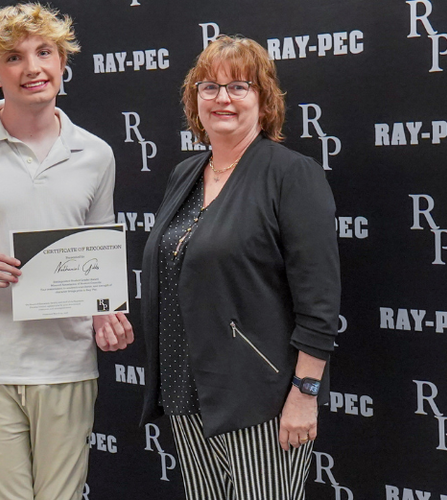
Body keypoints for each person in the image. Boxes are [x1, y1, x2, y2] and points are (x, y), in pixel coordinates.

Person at [0, 4, 133, 500]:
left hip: (67, 364)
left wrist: (106, 314)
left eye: (44, 52)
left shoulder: (96, 154)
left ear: (62, 62)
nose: (32, 68)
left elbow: (97, 255)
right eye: (13, 58)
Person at [139, 35, 341, 500]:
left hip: (260, 397)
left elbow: (320, 298)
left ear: (264, 102)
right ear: (195, 101)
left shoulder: (291, 173)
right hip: (186, 390)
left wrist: (305, 393)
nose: (222, 98)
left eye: (239, 87)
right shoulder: (185, 173)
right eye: (209, 87)